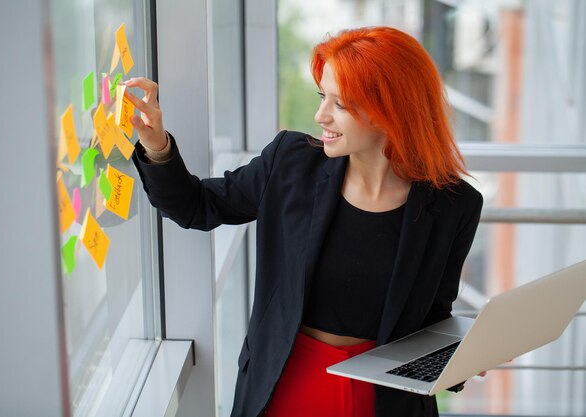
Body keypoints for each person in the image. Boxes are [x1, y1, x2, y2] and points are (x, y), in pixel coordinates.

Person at [126, 26, 483, 417]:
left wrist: (464, 356)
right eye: (321, 96)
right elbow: (195, 206)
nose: (320, 115)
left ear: (390, 112)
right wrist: (156, 145)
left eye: (340, 104)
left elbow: (433, 319)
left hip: (385, 400)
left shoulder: (454, 206)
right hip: (285, 384)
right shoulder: (291, 163)